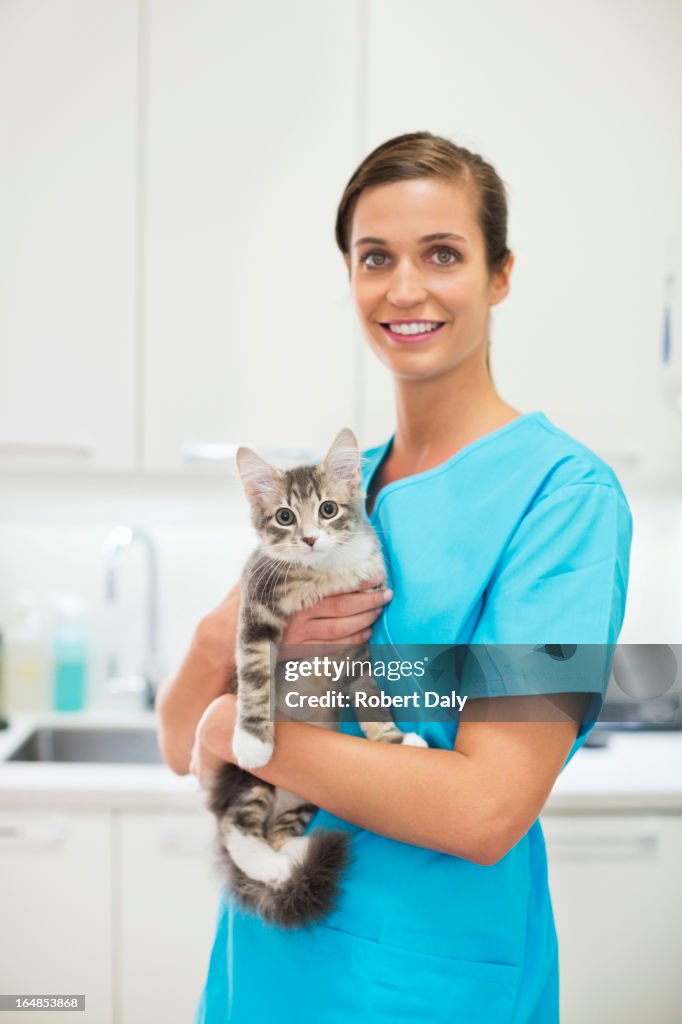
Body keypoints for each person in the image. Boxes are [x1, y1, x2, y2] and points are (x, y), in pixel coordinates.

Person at [157, 131, 632, 1024]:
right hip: (261, 968)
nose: (404, 289)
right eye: (376, 257)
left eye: (442, 254)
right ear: (351, 277)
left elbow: (487, 808)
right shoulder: (327, 500)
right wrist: (217, 642)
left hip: (428, 983)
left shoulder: (564, 499)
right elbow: (178, 738)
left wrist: (239, 722)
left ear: (500, 275)